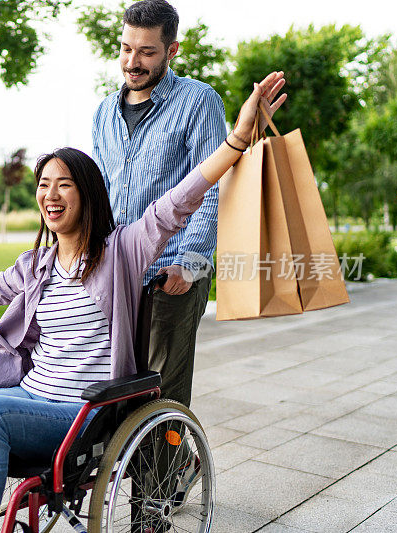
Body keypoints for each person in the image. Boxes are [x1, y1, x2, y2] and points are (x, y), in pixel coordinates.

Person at [0, 72, 287, 533]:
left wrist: (237, 139)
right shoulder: (36, 263)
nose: (50, 194)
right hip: (28, 398)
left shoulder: (123, 250)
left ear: (87, 193)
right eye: (43, 184)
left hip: (81, 413)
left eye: (64, 184)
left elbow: (181, 201)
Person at [92, 0, 226, 408]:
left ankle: (163, 472)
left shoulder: (198, 101)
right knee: (115, 391)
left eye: (147, 51)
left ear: (172, 51)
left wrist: (190, 263)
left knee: (158, 394)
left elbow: (212, 187)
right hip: (117, 270)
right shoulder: (104, 113)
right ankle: (132, 470)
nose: (133, 61)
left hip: (171, 273)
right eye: (126, 48)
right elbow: (98, 195)